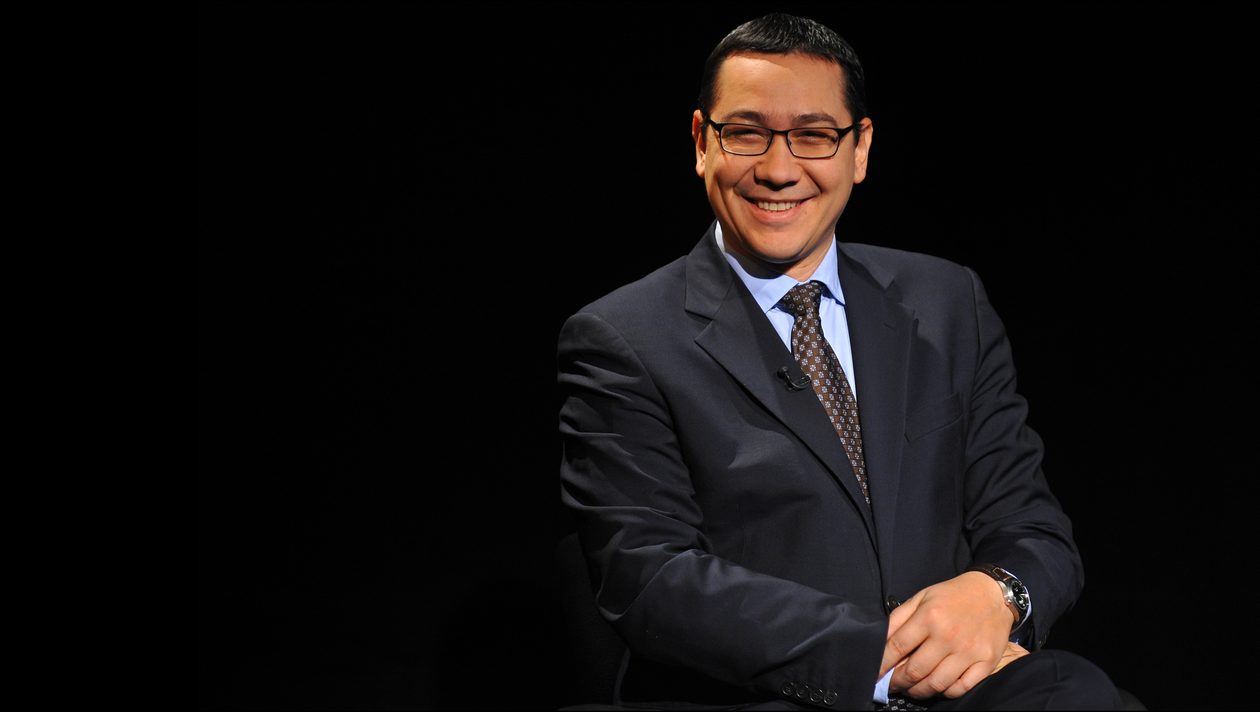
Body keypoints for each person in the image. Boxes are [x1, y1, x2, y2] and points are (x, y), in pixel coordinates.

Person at [558, 13, 1121, 710]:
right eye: (746, 133)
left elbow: (1032, 526)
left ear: (860, 150)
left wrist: (996, 594)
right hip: (765, 697)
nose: (778, 169)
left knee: (1080, 694)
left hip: (957, 693)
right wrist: (884, 656)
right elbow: (649, 580)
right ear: (702, 142)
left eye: (814, 135)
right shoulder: (622, 337)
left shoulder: (948, 302)